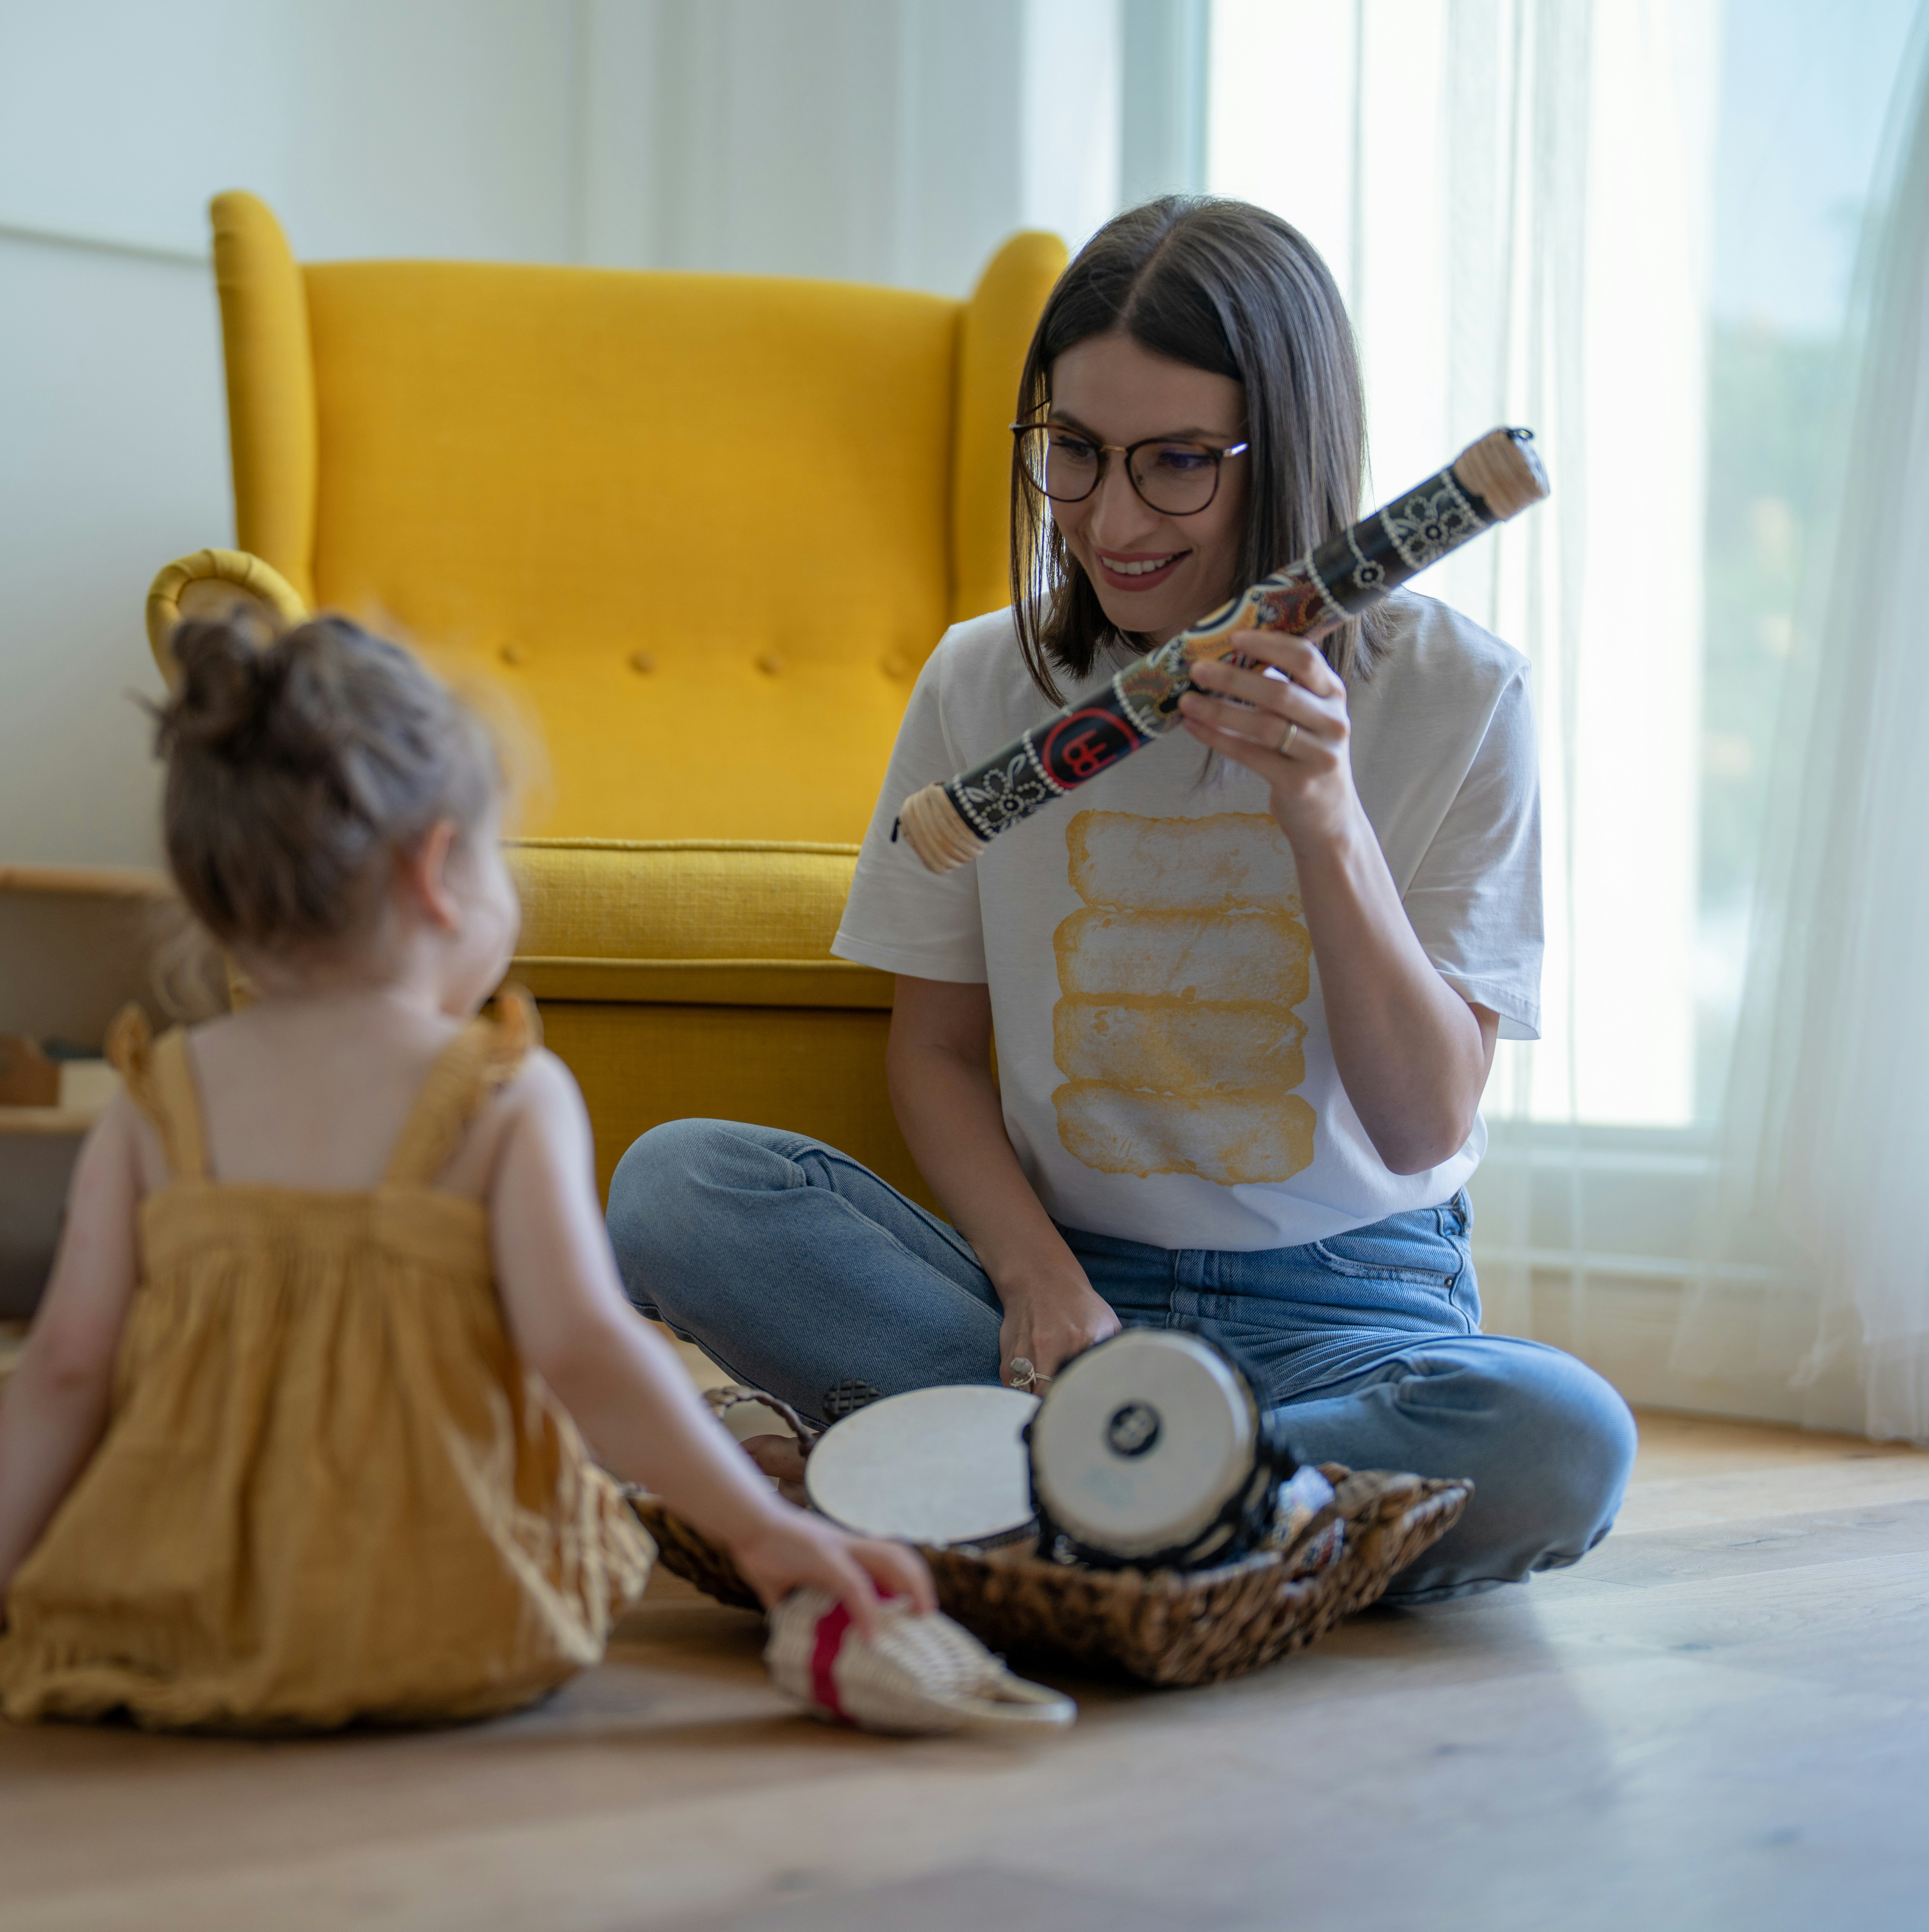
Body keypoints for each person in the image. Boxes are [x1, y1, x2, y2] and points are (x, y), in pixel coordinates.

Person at [606, 197, 1635, 1604]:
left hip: (1352, 1313)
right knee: (679, 1185)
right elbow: (935, 1050)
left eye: (1174, 467)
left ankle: (994, 1490)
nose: (1108, 518)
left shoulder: (1462, 693)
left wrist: (1323, 814)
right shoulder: (983, 682)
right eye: (1074, 454)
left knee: (1562, 1439)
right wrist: (1034, 1275)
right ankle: (1193, 1514)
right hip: (1059, 1298)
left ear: (1288, 456)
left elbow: (1421, 1123)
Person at [0, 611, 936, 1732]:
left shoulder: (157, 1098)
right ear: (441, 870)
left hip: (177, 1612)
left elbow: (65, 1366)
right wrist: (764, 1528)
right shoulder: (502, 1091)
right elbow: (586, 1351)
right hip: (450, 1619)